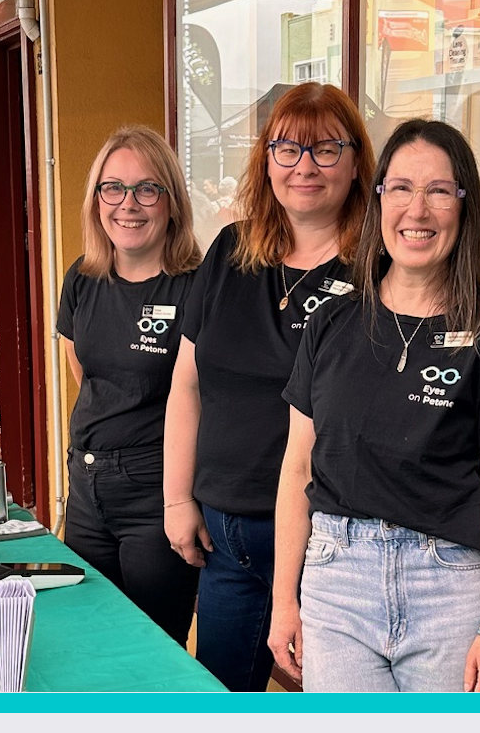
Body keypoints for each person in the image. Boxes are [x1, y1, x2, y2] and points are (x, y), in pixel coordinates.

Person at [269, 119, 480, 693]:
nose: (417, 210)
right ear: (378, 200)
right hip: (337, 580)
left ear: (463, 207)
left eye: (439, 191)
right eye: (400, 188)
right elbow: (297, 468)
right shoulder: (332, 323)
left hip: (448, 587)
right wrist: (282, 601)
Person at [162, 82, 375, 691]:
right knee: (224, 694)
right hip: (224, 535)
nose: (304, 167)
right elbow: (186, 385)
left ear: (357, 162)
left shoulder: (376, 271)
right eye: (287, 149)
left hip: (329, 540)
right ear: (266, 161)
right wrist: (179, 499)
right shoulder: (231, 249)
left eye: (327, 149)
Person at [58, 125, 204, 647]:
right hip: (87, 485)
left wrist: (178, 498)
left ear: (171, 201)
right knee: (91, 638)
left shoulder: (197, 285)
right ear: (97, 200)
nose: (129, 205)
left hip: (156, 489)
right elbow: (87, 374)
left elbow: (202, 397)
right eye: (113, 188)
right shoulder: (82, 278)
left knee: (151, 649)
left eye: (147, 189)